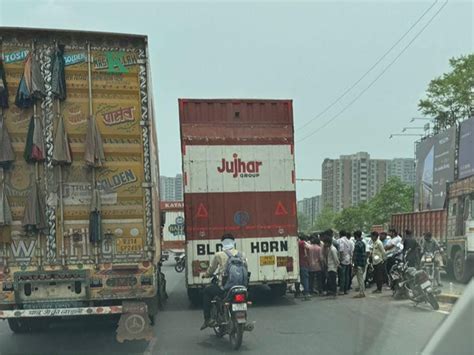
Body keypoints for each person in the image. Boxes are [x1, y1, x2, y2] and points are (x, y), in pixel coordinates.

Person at [200, 233, 243, 330]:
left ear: (222, 243)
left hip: (225, 287)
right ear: (234, 242)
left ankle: (207, 319)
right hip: (241, 287)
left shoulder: (219, 255)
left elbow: (211, 269)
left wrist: (206, 275)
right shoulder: (241, 255)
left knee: (207, 291)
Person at [321, 231, 340, 297]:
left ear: (328, 243)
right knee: (331, 280)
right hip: (330, 266)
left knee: (333, 281)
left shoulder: (332, 249)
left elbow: (335, 258)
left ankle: (334, 292)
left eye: (325, 243)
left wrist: (337, 265)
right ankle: (332, 292)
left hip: (332, 267)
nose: (324, 244)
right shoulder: (330, 248)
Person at [338, 230, 353, 295]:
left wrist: (340, 260)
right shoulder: (349, 241)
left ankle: (342, 290)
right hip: (348, 259)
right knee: (347, 276)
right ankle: (346, 289)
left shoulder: (340, 240)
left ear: (340, 234)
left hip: (343, 260)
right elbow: (351, 251)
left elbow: (341, 250)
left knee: (342, 276)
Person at [295, 234, 311, 300]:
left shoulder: (299, 243)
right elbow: (309, 248)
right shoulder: (302, 243)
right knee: (305, 279)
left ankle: (298, 292)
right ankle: (306, 293)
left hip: (298, 263)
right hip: (303, 263)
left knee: (298, 279)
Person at [352, 230, 367, 298]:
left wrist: (355, 265)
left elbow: (356, 256)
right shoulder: (363, 243)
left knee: (360, 279)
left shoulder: (357, 244)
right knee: (361, 278)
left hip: (359, 263)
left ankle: (361, 293)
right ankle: (362, 292)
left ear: (355, 236)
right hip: (363, 263)